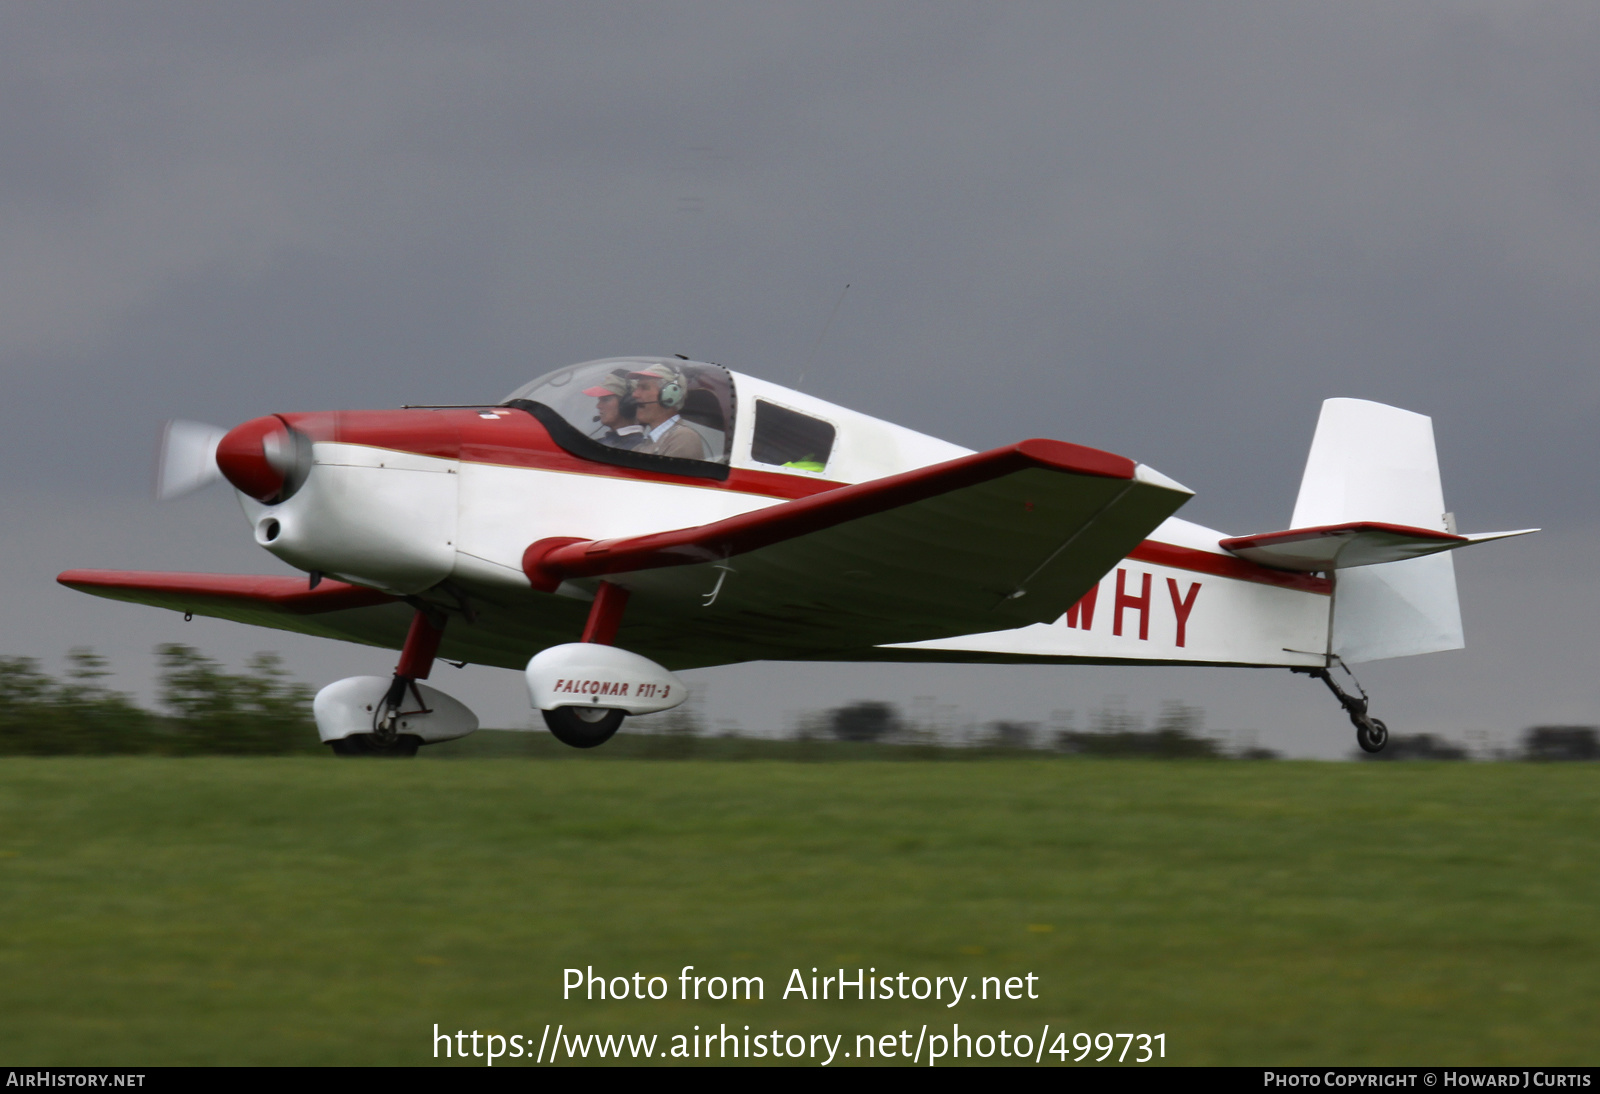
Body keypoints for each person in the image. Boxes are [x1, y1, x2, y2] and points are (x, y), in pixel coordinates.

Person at [628, 364, 708, 460]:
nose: (635, 394)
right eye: (637, 387)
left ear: (669, 395)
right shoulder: (641, 446)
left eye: (644, 387)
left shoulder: (683, 438)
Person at [582, 370, 645, 449]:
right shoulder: (601, 442)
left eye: (605, 399)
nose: (598, 406)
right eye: (599, 400)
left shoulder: (637, 447)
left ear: (628, 404)